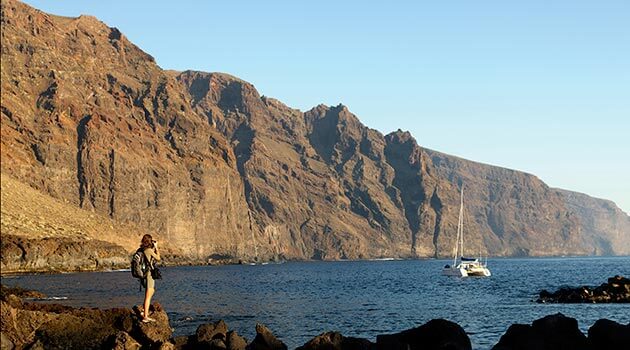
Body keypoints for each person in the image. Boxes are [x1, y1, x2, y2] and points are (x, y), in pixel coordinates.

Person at [140, 234, 160, 323]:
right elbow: (158, 258)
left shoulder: (142, 249)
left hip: (144, 274)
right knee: (148, 297)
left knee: (151, 291)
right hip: (149, 275)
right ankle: (145, 317)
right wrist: (156, 247)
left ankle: (145, 311)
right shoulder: (149, 250)